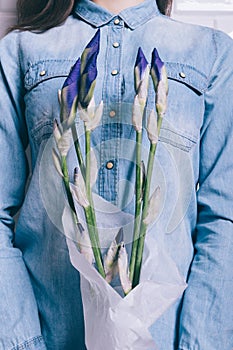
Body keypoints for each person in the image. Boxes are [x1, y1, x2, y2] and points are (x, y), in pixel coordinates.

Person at [0, 0, 232, 349]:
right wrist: (24, 344)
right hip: (52, 336)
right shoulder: (22, 49)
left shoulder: (211, 52)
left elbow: (224, 220)